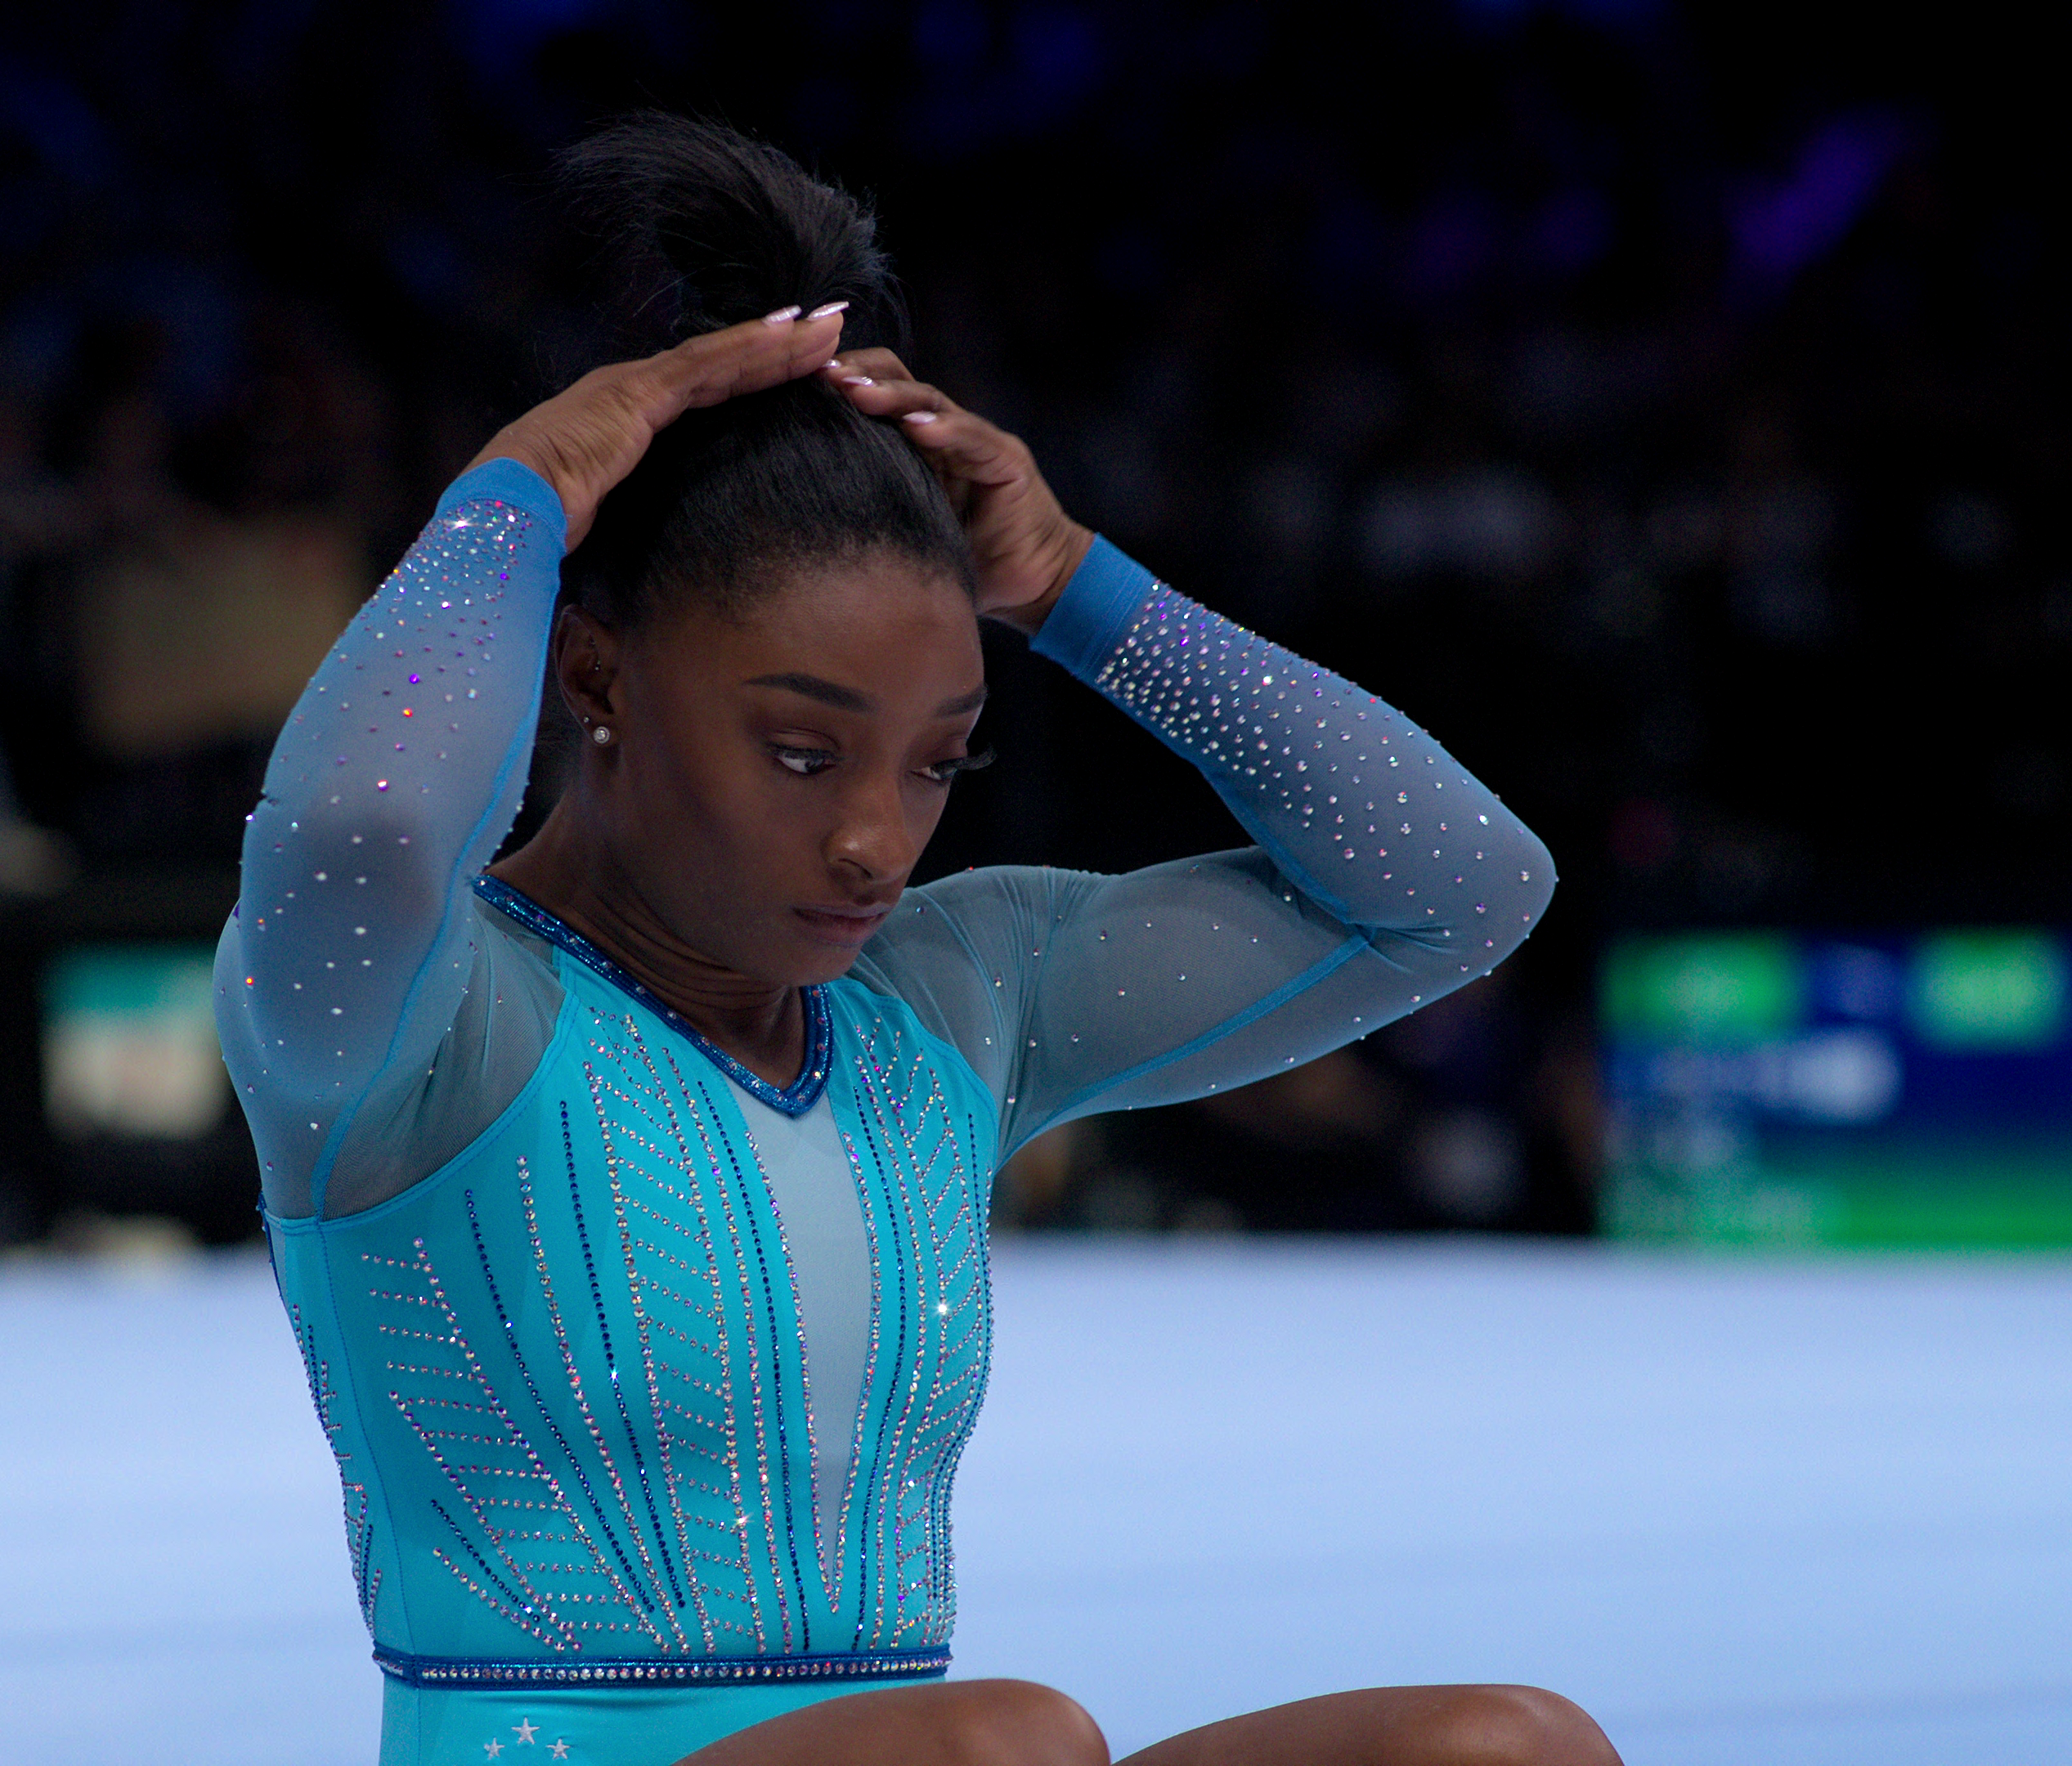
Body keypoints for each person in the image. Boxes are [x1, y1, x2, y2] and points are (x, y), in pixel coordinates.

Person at [218, 119, 1601, 1766]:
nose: (878, 839)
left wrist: (1079, 588)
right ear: (592, 680)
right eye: (804, 754)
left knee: (1499, 1746)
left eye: (940, 759)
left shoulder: (945, 1006)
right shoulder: (426, 1029)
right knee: (1007, 1741)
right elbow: (363, 830)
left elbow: (1462, 886)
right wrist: (513, 499)